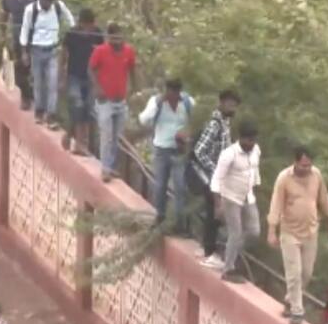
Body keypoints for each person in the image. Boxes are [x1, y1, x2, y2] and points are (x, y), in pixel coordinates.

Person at [267, 146, 328, 324]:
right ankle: (297, 311)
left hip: (310, 232)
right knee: (294, 273)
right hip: (289, 232)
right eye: (302, 165)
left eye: (309, 165)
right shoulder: (284, 178)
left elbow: (324, 199)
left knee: (306, 273)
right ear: (295, 162)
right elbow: (275, 205)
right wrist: (271, 231)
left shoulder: (316, 175)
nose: (306, 169)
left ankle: (290, 300)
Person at [191, 90, 241, 268]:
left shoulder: (225, 123)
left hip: (220, 177)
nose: (232, 108)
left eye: (235, 105)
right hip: (212, 177)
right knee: (214, 213)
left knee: (215, 213)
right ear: (221, 103)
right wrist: (216, 169)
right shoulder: (215, 124)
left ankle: (208, 248)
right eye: (230, 104)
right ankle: (210, 253)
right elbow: (199, 151)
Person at [209, 121, 261, 283]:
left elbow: (255, 171)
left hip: (248, 196)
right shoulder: (229, 154)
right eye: (248, 141)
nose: (250, 144)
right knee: (235, 232)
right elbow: (217, 179)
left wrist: (255, 188)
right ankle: (228, 269)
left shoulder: (256, 150)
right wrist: (218, 205)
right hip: (230, 197)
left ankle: (229, 253)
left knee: (254, 231)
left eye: (253, 141)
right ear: (240, 138)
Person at [138, 79, 194, 229]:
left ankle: (180, 222)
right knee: (160, 185)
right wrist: (157, 104)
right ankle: (160, 216)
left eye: (176, 92)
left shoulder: (188, 103)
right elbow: (143, 120)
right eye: (170, 91)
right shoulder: (156, 102)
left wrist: (188, 134)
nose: (173, 95)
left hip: (179, 150)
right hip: (162, 149)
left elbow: (197, 122)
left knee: (180, 186)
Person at [19, 0, 75, 128]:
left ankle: (51, 115)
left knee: (52, 83)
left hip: (53, 49)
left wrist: (67, 37)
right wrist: (24, 51)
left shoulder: (58, 6)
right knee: (38, 82)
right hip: (36, 49)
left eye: (50, 1)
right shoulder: (31, 10)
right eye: (45, 1)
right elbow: (25, 30)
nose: (47, 4)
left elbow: (71, 21)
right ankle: (39, 110)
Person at [89, 23, 136, 181]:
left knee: (118, 137)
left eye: (120, 36)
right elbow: (92, 69)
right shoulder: (100, 51)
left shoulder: (129, 51)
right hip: (105, 101)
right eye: (114, 37)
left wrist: (133, 88)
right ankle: (105, 169)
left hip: (120, 101)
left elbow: (132, 68)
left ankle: (111, 165)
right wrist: (97, 88)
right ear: (109, 38)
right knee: (106, 135)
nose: (117, 40)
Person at [61, 8, 103, 155]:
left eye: (90, 26)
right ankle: (80, 143)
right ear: (80, 24)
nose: (88, 30)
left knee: (88, 110)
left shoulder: (98, 34)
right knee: (77, 106)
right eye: (85, 26)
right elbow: (64, 54)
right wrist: (62, 76)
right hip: (74, 75)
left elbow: (102, 55)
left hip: (91, 78)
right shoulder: (72, 34)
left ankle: (72, 136)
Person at [0, 0, 36, 110]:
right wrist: (2, 34)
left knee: (34, 70)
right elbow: (3, 15)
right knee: (17, 70)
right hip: (18, 40)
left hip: (35, 39)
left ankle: (34, 98)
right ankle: (26, 96)